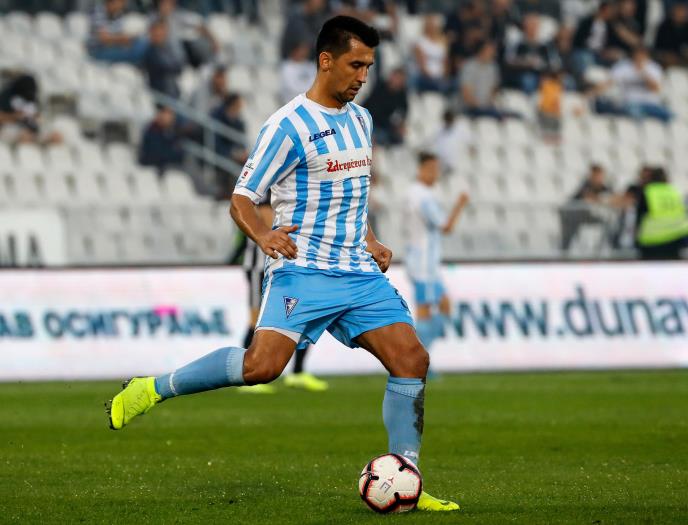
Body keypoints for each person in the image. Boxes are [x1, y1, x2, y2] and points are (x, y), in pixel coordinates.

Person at [106, 15, 459, 512]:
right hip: (305, 269)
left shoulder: (362, 120)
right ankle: (152, 388)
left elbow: (351, 196)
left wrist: (372, 239)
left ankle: (407, 478)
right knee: (261, 367)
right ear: (326, 60)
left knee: (412, 360)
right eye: (356, 65)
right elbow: (242, 198)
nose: (363, 76)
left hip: (358, 271)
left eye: (369, 66)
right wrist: (263, 234)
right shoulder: (287, 126)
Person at [239, 196, 329, 393]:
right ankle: (245, 375)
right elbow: (268, 222)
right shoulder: (267, 189)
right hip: (260, 266)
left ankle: (297, 373)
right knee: (256, 320)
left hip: (289, 265)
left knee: (301, 317)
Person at [404, 152, 468, 375]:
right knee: (424, 311)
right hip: (422, 263)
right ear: (421, 169)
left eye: (437, 170)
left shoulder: (418, 193)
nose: (435, 174)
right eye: (431, 169)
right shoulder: (421, 196)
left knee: (444, 305)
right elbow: (446, 227)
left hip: (425, 262)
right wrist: (460, 205)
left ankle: (420, 358)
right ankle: (416, 363)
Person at [604, 46, 672, 122]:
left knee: (669, 116)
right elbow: (609, 82)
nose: (639, 58)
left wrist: (643, 72)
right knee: (635, 113)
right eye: (637, 55)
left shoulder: (654, 68)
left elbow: (656, 89)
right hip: (631, 103)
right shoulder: (623, 67)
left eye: (642, 56)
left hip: (651, 104)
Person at [633, 167, 688, 259]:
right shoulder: (674, 190)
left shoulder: (648, 191)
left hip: (653, 239)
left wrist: (636, 235)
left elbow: (640, 215)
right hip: (676, 237)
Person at [559, 164, 613, 252]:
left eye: (600, 175)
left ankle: (604, 249)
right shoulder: (586, 185)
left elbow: (611, 197)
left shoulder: (604, 187)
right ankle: (564, 253)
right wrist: (600, 199)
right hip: (573, 216)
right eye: (597, 175)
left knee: (608, 224)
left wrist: (603, 199)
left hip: (587, 215)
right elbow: (587, 197)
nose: (599, 178)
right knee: (568, 236)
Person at [461, 40, 518, 120]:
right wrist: (479, 107)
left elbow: (494, 89)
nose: (493, 53)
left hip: (487, 107)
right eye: (490, 50)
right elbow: (466, 93)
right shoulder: (469, 66)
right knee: (502, 117)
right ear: (482, 51)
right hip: (471, 109)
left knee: (515, 116)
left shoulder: (493, 67)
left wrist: (489, 104)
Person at [0, 73, 62, 145]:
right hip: (11, 127)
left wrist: (35, 118)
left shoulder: (32, 96)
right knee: (25, 137)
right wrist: (15, 116)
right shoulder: (6, 96)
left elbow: (38, 116)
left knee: (56, 136)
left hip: (32, 127)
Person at [363, 67, 408, 146]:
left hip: (386, 126)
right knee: (382, 136)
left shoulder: (401, 93)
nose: (397, 81)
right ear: (391, 77)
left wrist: (400, 124)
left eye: (400, 80)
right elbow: (375, 112)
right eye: (396, 78)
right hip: (371, 121)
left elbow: (403, 110)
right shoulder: (380, 88)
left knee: (400, 138)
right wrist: (392, 126)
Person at [142, 18, 185, 99]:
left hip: (172, 90)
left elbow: (179, 66)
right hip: (155, 92)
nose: (158, 33)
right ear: (151, 32)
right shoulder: (148, 50)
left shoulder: (169, 48)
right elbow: (163, 66)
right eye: (156, 30)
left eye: (161, 30)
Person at [138, 104, 184, 174]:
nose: (171, 117)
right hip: (149, 168)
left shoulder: (171, 132)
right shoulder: (153, 130)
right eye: (168, 113)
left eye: (171, 114)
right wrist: (173, 153)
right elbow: (156, 154)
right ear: (161, 114)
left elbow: (179, 155)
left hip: (164, 167)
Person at [413, 14, 450, 93]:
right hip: (425, 77)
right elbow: (422, 65)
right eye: (431, 25)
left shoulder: (444, 41)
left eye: (435, 25)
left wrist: (444, 77)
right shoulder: (420, 41)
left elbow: (446, 62)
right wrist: (433, 78)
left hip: (441, 78)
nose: (433, 28)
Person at [654, 1, 688, 67]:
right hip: (665, 62)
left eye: (683, 11)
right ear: (673, 12)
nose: (680, 14)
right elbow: (657, 48)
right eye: (678, 11)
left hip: (683, 62)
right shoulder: (664, 27)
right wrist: (665, 55)